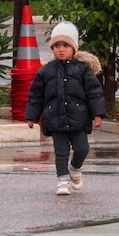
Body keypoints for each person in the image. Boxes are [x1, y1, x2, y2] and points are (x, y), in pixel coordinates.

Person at [25, 21, 106, 195]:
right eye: (57, 45)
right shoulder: (46, 71)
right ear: (52, 48)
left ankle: (75, 168)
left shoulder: (83, 71)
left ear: (74, 48)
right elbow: (36, 95)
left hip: (79, 118)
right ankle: (62, 181)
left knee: (82, 148)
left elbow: (94, 93)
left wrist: (97, 113)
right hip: (55, 119)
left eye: (66, 45)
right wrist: (32, 115)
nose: (61, 49)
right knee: (60, 151)